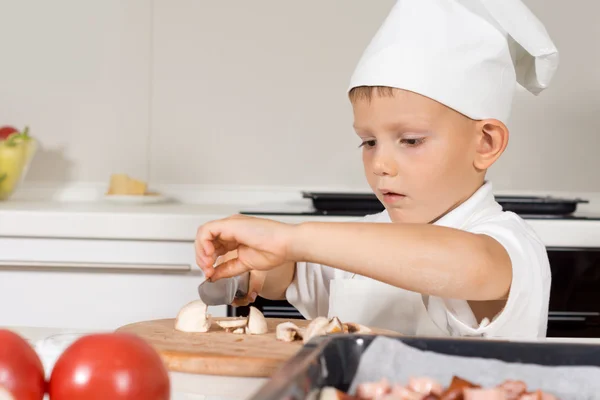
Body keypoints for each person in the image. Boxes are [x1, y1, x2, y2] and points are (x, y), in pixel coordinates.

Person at [195, 0, 559, 338]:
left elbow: (469, 264)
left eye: (411, 140)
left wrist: (292, 238)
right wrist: (252, 262)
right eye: (368, 142)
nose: (380, 164)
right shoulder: (357, 240)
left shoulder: (509, 245)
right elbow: (288, 272)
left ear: (486, 143)